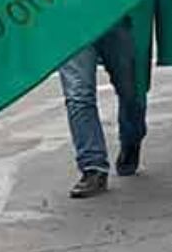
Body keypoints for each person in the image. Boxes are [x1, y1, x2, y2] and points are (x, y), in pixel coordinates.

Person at [57, 17, 142, 198]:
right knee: (78, 95)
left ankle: (131, 137)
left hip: (114, 11)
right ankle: (93, 167)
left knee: (131, 90)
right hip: (67, 17)